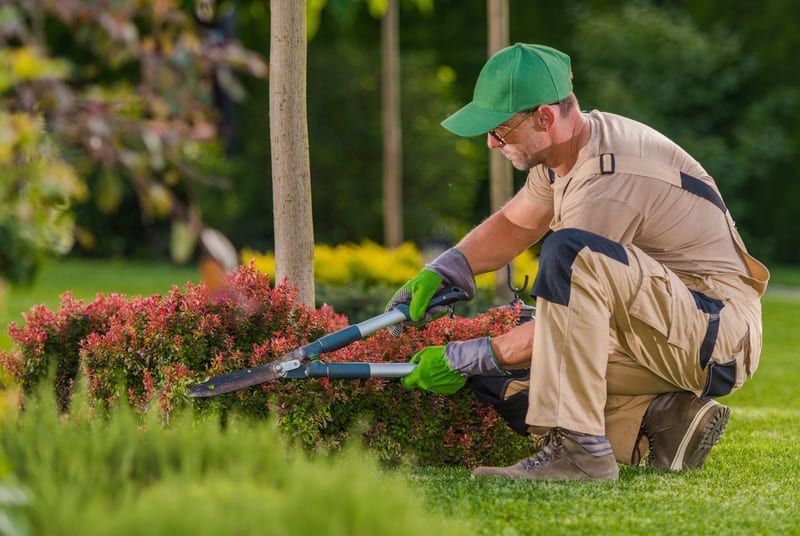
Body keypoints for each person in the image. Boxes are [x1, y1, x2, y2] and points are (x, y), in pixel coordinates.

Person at [387, 43, 769, 481]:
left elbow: (563, 313)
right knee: (506, 375)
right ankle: (664, 421)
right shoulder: (563, 154)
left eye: (500, 129)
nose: (491, 142)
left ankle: (581, 453)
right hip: (662, 329)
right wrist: (448, 268)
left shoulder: (608, 179)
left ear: (545, 117)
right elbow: (516, 224)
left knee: (564, 264)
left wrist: (470, 354)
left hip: (714, 331)